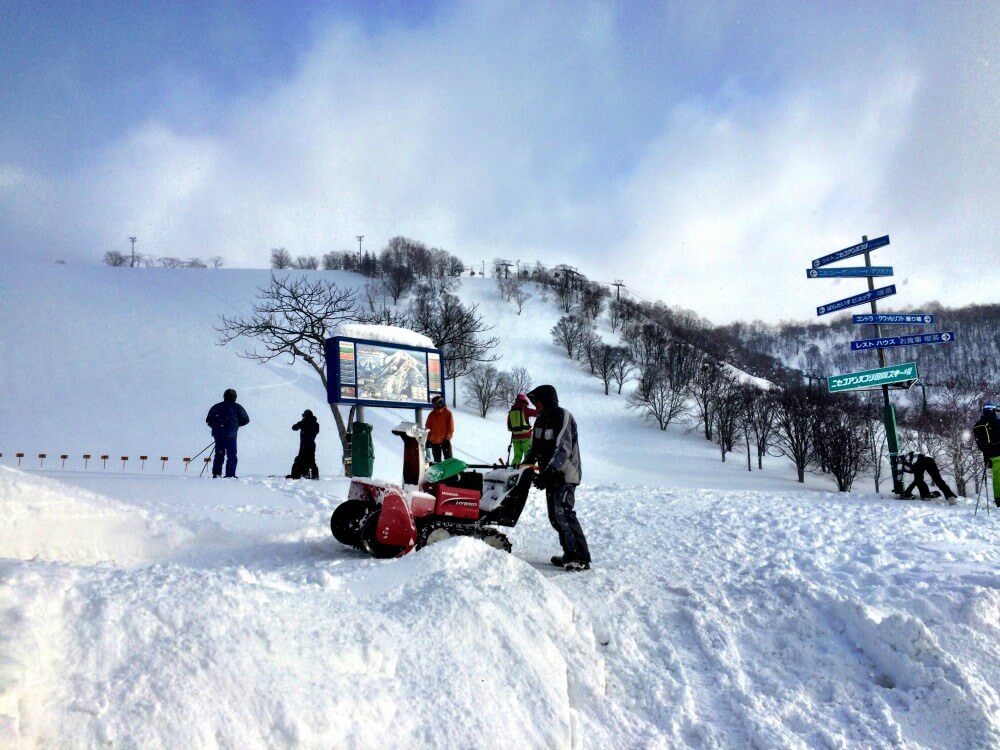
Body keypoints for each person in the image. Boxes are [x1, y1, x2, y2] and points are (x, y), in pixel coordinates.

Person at [524, 384, 591, 572]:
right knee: (555, 516)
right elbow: (534, 447)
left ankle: (580, 558)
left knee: (563, 513)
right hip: (551, 473)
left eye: (536, 401)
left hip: (566, 474)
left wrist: (548, 473)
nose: (534, 405)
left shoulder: (563, 417)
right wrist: (525, 467)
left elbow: (563, 450)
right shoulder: (540, 420)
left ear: (545, 400)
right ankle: (570, 554)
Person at [206, 388, 250, 479]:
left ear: (224, 396)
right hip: (231, 435)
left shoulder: (216, 407)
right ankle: (230, 475)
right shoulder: (238, 407)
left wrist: (216, 428)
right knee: (232, 455)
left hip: (218, 434)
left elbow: (208, 421)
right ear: (235, 397)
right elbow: (246, 420)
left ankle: (217, 473)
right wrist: (236, 425)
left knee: (219, 454)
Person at [972, 402, 1000, 508]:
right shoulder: (997, 422)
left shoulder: (978, 425)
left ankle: (998, 499)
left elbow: (981, 445)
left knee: (997, 478)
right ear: (993, 410)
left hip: (990, 456)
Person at [287, 409, 320, 480]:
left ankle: (297, 475)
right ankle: (314, 475)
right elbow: (316, 431)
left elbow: (294, 427)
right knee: (311, 461)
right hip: (312, 444)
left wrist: (303, 423)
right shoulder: (316, 424)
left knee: (300, 460)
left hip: (304, 445)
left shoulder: (304, 422)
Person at [506, 393, 537, 467]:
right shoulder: (525, 409)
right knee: (528, 456)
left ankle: (513, 471)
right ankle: (527, 472)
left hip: (515, 438)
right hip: (526, 437)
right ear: (525, 402)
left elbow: (509, 426)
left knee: (517, 456)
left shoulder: (511, 411)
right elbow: (537, 413)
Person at [425, 395, 454, 463]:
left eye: (435, 404)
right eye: (433, 404)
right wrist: (428, 440)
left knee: (448, 461)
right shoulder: (432, 415)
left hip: (445, 441)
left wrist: (447, 439)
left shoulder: (448, 414)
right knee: (437, 461)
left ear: (440, 403)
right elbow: (428, 428)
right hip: (434, 441)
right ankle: (439, 473)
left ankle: (449, 473)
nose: (434, 406)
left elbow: (450, 428)